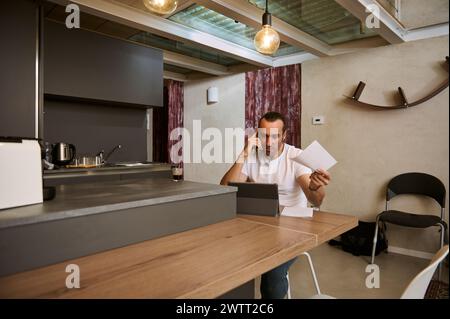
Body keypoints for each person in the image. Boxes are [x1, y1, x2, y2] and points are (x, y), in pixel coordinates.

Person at [220, 111, 331, 299]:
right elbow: (225, 189)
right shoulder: (252, 155)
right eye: (264, 136)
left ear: (284, 135)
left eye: (275, 136)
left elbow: (316, 200)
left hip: (293, 229)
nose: (268, 143)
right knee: (228, 257)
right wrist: (244, 152)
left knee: (273, 271)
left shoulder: (297, 157)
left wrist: (314, 187)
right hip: (258, 225)